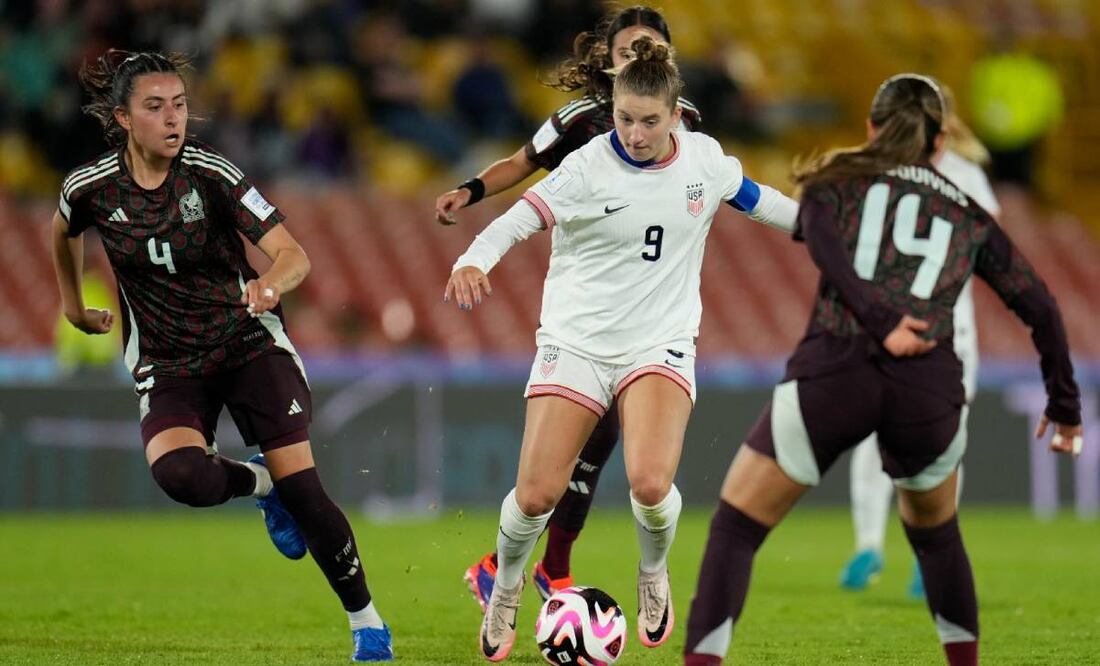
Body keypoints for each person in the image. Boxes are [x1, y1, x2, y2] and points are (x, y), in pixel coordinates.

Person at [683, 73, 1083, 666]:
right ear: (941, 141)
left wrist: (874, 317)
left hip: (836, 368)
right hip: (927, 385)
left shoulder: (836, 181)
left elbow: (818, 237)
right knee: (938, 539)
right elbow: (1041, 305)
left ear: (872, 127)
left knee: (738, 528)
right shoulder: (967, 211)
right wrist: (1065, 406)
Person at [445, 37, 798, 662]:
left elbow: (762, 203)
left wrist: (828, 229)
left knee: (650, 483)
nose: (634, 133)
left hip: (657, 343)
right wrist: (475, 257)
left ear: (673, 115)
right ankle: (505, 586)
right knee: (535, 496)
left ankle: (653, 574)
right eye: (624, 118)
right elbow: (516, 220)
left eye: (648, 121)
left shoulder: (705, 161)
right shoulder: (585, 168)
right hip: (576, 342)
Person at [49, 50, 393, 662]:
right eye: (155, 108)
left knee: (308, 493)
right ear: (124, 119)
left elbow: (294, 253)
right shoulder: (92, 188)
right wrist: (73, 307)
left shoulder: (212, 174)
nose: (172, 119)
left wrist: (272, 285)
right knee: (182, 475)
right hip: (169, 360)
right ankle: (261, 485)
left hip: (247, 344)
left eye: (179, 105)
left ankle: (367, 623)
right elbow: (63, 229)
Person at [437, 4, 704, 611]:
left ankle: (532, 569)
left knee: (604, 447)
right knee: (585, 448)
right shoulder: (582, 120)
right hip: (586, 307)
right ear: (607, 59)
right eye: (628, 47)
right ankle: (538, 570)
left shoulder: (683, 123)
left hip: (648, 310)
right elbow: (522, 164)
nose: (638, 56)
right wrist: (472, 190)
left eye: (650, 47)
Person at [840, 83, 1001, 598]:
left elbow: (992, 250)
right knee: (872, 437)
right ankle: (869, 545)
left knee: (941, 445)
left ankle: (928, 554)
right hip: (883, 330)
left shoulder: (967, 176)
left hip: (949, 337)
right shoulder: (877, 172)